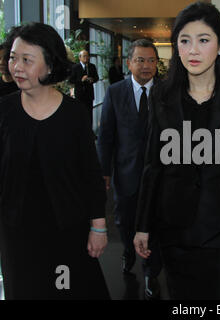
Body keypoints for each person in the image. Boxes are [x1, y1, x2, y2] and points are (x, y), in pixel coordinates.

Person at [133, 1, 220, 300]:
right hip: (175, 226)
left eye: (203, 40)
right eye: (185, 41)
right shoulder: (162, 95)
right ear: (177, 46)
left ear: (219, 46)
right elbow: (152, 163)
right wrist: (143, 225)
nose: (193, 50)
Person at [0, 22, 110, 300]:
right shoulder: (5, 111)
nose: (17, 67)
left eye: (27, 59)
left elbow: (90, 173)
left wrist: (98, 226)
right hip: (16, 232)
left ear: (49, 66)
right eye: (13, 58)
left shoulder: (73, 114)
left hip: (66, 228)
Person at [97, 39, 163, 300]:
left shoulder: (166, 92)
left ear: (157, 64)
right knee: (124, 221)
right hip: (125, 173)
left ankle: (150, 272)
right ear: (129, 63)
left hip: (159, 175)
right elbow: (106, 136)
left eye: (151, 61)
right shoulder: (115, 92)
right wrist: (104, 172)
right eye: (140, 60)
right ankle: (127, 250)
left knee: (155, 223)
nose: (146, 66)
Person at [69, 49, 99, 128]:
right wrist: (81, 80)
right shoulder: (75, 67)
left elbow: (97, 78)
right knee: (80, 114)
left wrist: (92, 80)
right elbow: (71, 80)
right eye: (84, 56)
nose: (86, 58)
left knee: (89, 114)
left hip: (89, 94)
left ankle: (90, 132)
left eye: (87, 56)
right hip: (79, 95)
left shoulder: (92, 66)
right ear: (80, 57)